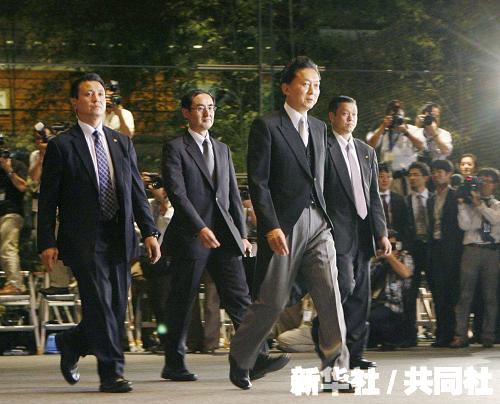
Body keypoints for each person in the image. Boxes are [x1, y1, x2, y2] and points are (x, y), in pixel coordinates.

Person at [229, 56, 349, 391]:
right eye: (305, 84)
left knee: (330, 296)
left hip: (318, 223)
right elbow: (259, 182)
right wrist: (270, 225)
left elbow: (321, 179)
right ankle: (242, 356)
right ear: (286, 87)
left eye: (317, 85)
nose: (313, 91)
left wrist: (332, 220)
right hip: (284, 224)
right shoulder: (267, 126)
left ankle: (335, 371)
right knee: (273, 300)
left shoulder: (320, 128)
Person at [37, 73, 161, 393]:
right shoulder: (62, 145)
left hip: (119, 234)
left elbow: (136, 191)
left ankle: (72, 341)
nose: (97, 99)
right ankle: (112, 373)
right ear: (75, 103)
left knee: (116, 307)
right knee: (100, 304)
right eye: (89, 94)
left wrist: (150, 231)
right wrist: (46, 241)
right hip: (83, 238)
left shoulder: (122, 142)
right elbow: (48, 199)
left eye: (101, 94)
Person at [161, 89, 287, 382]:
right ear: (186, 113)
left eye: (211, 107)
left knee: (240, 297)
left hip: (225, 238)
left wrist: (241, 234)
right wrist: (200, 228)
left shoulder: (222, 149)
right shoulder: (175, 148)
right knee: (183, 301)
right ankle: (174, 363)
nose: (207, 113)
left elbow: (231, 196)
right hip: (191, 236)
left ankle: (255, 358)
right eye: (200, 108)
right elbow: (178, 194)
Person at [316, 95, 390, 370]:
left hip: (364, 233)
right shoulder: (322, 148)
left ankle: (356, 354)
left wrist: (381, 233)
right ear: (332, 116)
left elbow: (374, 196)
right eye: (345, 113)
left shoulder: (366, 151)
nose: (350, 119)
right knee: (344, 286)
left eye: (354, 114)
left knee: (361, 295)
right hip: (336, 232)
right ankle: (323, 330)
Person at [450, 168, 500, 348]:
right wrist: (462, 205)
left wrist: (479, 205)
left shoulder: (497, 205)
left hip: (491, 252)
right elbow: (465, 225)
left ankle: (488, 335)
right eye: (482, 180)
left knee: (490, 296)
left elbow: (495, 220)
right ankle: (460, 335)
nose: (484, 184)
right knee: (465, 295)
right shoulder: (470, 203)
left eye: (488, 181)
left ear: (495, 185)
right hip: (471, 250)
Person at [29, 124, 72, 296]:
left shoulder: (65, 150)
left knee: (66, 242)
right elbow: (33, 178)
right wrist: (42, 157)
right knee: (48, 243)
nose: (41, 141)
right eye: (38, 138)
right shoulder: (36, 155)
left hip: (64, 204)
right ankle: (59, 282)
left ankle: (73, 279)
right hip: (44, 204)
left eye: (45, 138)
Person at [427, 159, 463, 347]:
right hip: (435, 249)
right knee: (438, 292)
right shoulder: (431, 199)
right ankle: (442, 333)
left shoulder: (456, 196)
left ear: (449, 174)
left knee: (451, 293)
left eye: (441, 171)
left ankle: (452, 333)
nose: (436, 175)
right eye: (434, 172)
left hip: (453, 250)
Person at [401, 161, 432, 347]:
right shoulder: (404, 201)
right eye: (410, 175)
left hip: (431, 250)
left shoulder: (434, 198)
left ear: (425, 178)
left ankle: (443, 333)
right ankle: (409, 335)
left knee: (438, 290)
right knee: (409, 293)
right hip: (412, 251)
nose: (412, 178)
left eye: (416, 174)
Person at [366, 100, 424, 194]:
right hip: (389, 180)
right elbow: (370, 145)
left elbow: (421, 146)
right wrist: (383, 126)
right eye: (394, 116)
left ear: (404, 116)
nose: (397, 119)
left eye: (399, 116)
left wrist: (406, 133)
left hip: (410, 179)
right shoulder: (383, 131)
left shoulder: (412, 130)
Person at [368, 231, 413, 350]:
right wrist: (375, 259)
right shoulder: (378, 260)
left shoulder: (404, 257)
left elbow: (406, 273)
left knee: (373, 317)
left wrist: (390, 257)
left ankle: (392, 338)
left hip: (393, 306)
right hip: (375, 303)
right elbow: (367, 278)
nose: (389, 248)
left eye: (392, 245)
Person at [0, 148, 28, 295]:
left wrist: (8, 169)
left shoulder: (17, 165)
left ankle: (15, 284)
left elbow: (23, 187)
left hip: (11, 214)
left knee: (7, 248)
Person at [377, 162, 410, 244]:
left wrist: (397, 238)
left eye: (388, 177)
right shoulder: (370, 199)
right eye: (381, 176)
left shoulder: (400, 199)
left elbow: (405, 224)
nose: (385, 180)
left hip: (397, 241)